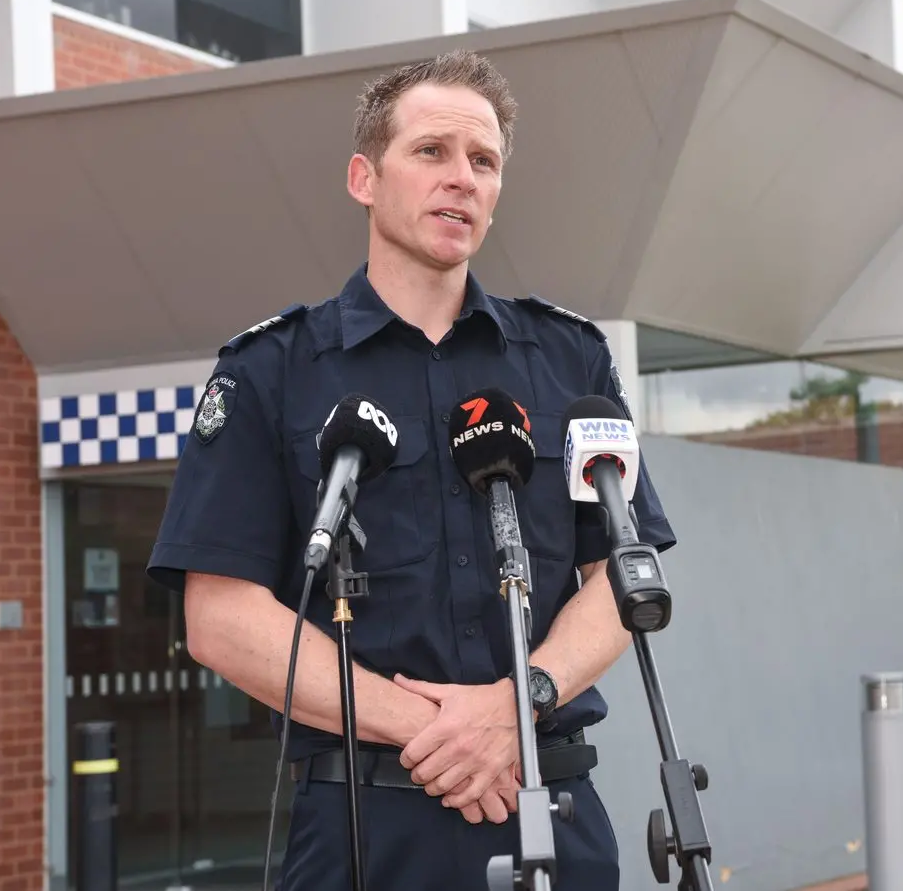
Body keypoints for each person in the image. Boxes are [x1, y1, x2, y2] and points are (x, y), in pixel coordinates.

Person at [146, 49, 676, 889]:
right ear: (364, 177)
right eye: (431, 151)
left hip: (553, 807)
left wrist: (516, 703)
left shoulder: (570, 360)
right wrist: (441, 730)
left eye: (484, 161)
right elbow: (221, 615)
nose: (460, 177)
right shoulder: (271, 371)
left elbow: (622, 572)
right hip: (363, 827)